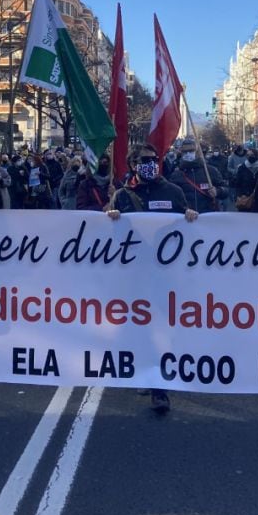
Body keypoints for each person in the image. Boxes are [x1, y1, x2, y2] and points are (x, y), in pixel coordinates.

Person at [107, 143, 198, 414]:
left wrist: (191, 217)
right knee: (140, 327)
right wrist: (110, 218)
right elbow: (112, 236)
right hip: (135, 273)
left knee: (164, 327)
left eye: (154, 159)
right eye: (145, 160)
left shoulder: (173, 191)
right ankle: (153, 379)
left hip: (166, 273)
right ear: (133, 164)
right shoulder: (123, 196)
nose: (151, 163)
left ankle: (159, 382)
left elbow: (189, 227)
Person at [171, 137, 227, 214]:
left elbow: (226, 190)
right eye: (185, 151)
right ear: (181, 153)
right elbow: (172, 198)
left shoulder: (210, 171)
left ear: (197, 152)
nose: (188, 153)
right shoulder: (176, 175)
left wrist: (218, 191)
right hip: (186, 219)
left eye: (191, 151)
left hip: (207, 218)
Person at [232, 148, 258, 213]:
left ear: (257, 155)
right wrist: (238, 196)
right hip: (245, 201)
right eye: (248, 155)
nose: (250, 157)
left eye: (252, 155)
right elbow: (238, 184)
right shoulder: (242, 167)